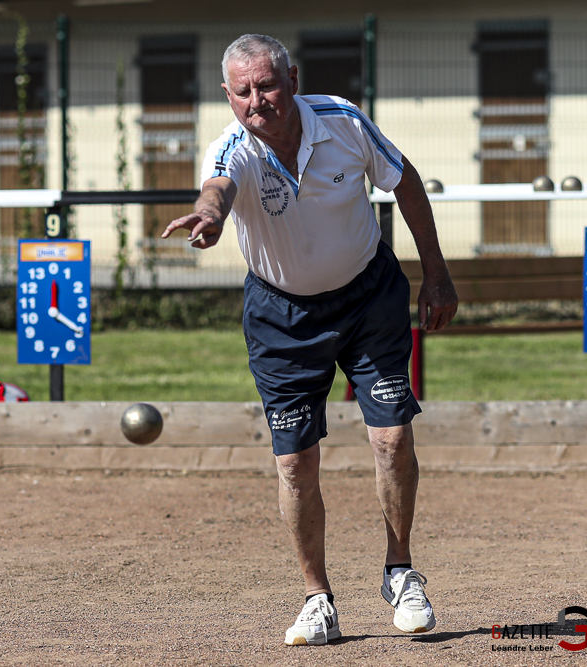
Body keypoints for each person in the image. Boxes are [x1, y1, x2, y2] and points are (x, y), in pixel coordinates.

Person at [162, 34, 459, 646]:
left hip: (367, 295)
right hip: (282, 315)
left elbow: (405, 181)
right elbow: (217, 190)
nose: (256, 101)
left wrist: (435, 271)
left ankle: (400, 572)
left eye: (267, 85)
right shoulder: (231, 149)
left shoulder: (342, 121)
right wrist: (210, 217)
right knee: (295, 462)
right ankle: (317, 597)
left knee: (392, 436)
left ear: (292, 79)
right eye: (242, 92)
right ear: (228, 96)